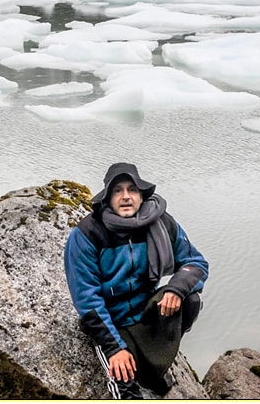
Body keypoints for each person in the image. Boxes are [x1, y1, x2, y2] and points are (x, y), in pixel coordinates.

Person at [64, 162, 209, 398]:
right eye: (117, 191)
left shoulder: (162, 223)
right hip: (112, 319)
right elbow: (87, 298)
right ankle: (131, 365)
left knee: (190, 299)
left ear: (141, 195)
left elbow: (196, 263)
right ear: (107, 198)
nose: (125, 197)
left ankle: (154, 363)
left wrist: (175, 289)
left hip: (144, 310)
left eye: (132, 189)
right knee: (125, 384)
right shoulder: (87, 234)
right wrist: (115, 349)